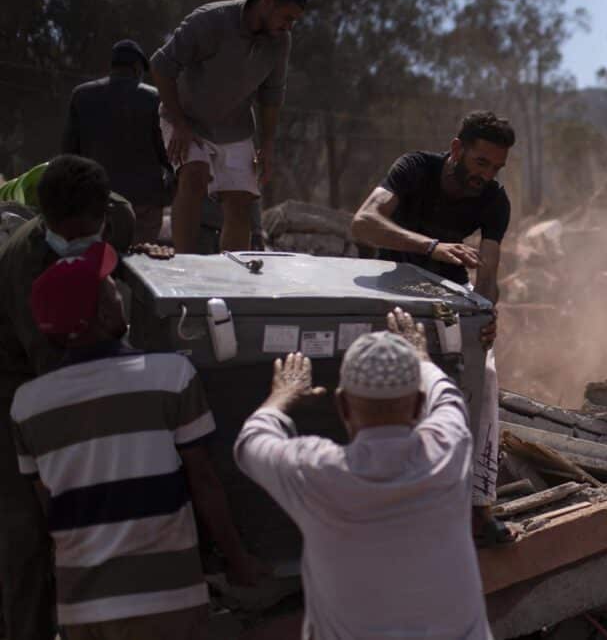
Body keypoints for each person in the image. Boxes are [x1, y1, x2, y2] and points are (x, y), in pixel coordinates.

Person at [9, 241, 258, 638]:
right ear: (103, 312)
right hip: (167, 599)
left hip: (81, 607)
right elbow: (205, 484)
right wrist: (239, 560)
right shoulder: (170, 376)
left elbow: (50, 508)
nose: (117, 291)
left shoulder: (27, 406)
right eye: (109, 286)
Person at [234, 309, 491, 639]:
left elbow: (250, 441)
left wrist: (283, 394)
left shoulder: (315, 471)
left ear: (341, 406)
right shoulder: (448, 448)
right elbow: (448, 397)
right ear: (418, 406)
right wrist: (421, 356)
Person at [351, 110, 514, 544]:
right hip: (388, 288)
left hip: (445, 297)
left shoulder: (495, 201)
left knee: (486, 374)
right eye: (481, 162)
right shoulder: (414, 169)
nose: (487, 175)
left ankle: (480, 506)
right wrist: (432, 247)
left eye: (496, 167)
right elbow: (363, 222)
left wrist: (485, 312)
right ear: (457, 148)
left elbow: (488, 277)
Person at [0, 154, 140, 640]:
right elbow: (52, 373)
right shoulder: (25, 263)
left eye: (88, 233)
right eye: (66, 235)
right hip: (19, 386)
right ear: (45, 222)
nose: (76, 244)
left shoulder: (117, 217)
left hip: (84, 361)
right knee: (26, 536)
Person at [150, 0, 306, 253]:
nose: (289, 26)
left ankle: (232, 274)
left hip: (235, 126)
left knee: (241, 201)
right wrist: (180, 124)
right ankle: (185, 265)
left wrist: (268, 145)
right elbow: (161, 66)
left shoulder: (280, 41)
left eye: (294, 20)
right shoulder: (211, 20)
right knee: (194, 177)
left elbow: (271, 96)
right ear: (268, 2)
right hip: (186, 118)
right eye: (287, 17)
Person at [63, 39, 172, 244]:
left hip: (95, 202)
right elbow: (167, 153)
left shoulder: (81, 95)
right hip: (144, 203)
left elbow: (69, 153)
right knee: (140, 261)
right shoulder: (154, 98)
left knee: (97, 260)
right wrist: (168, 193)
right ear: (137, 67)